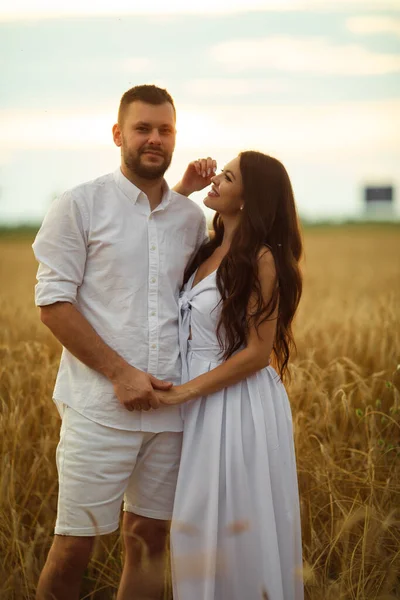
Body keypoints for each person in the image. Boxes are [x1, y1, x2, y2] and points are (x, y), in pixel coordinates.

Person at [32, 84, 215, 600]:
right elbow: (53, 305)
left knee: (150, 540)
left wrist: (182, 191)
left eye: (165, 129)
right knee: (73, 549)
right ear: (118, 134)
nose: (154, 138)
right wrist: (120, 373)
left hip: (171, 412)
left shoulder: (189, 218)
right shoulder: (79, 205)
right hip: (98, 412)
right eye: (143, 128)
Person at [160, 151, 304, 599]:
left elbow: (258, 354)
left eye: (228, 176)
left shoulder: (262, 259)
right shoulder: (206, 246)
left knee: (237, 526)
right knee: (196, 523)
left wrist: (185, 392)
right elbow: (149, 233)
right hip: (199, 401)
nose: (217, 180)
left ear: (250, 198)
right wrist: (181, 188)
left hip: (237, 406)